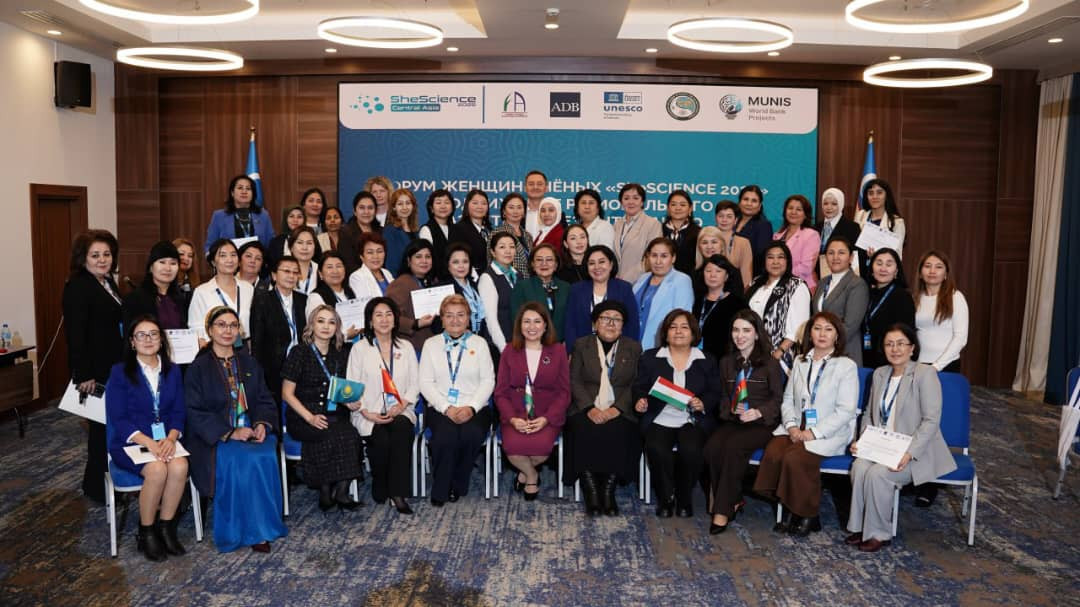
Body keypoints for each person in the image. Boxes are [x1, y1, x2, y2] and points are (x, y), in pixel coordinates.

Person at [184, 306, 287, 553]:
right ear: (209, 330)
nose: (227, 330)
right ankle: (243, 531)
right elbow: (194, 411)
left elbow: (264, 398)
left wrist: (262, 423)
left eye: (232, 325)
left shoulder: (249, 362)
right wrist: (229, 433)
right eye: (221, 325)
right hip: (215, 438)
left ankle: (263, 526)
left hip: (251, 430)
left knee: (264, 453)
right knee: (242, 459)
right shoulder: (197, 368)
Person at [846, 324, 956, 552]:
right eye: (889, 344)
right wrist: (862, 441)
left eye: (900, 344)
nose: (895, 349)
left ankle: (879, 533)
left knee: (878, 474)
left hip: (914, 451)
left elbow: (931, 421)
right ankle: (860, 528)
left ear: (912, 348)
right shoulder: (879, 374)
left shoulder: (925, 374)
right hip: (881, 445)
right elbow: (868, 414)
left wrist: (909, 453)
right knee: (859, 467)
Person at [753, 311, 859, 537]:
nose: (822, 334)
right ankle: (791, 507)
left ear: (837, 336)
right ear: (810, 334)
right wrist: (791, 425)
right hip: (795, 426)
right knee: (774, 452)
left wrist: (814, 433)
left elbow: (846, 410)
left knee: (795, 458)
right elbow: (788, 399)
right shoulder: (800, 361)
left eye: (828, 329)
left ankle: (806, 513)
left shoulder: (846, 366)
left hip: (828, 431)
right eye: (817, 328)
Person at [105, 316, 188, 561]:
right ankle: (147, 531)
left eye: (153, 334)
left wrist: (171, 439)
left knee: (180, 466)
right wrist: (150, 443)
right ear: (132, 342)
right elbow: (119, 418)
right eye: (141, 335)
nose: (148, 339)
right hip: (131, 443)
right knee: (157, 470)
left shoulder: (173, 371)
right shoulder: (120, 372)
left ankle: (166, 528)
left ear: (161, 339)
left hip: (165, 440)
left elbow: (179, 411)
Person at [634, 309, 720, 517]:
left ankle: (684, 497)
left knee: (691, 450)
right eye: (673, 327)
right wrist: (640, 401)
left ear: (693, 333)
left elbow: (715, 391)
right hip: (660, 416)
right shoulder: (650, 357)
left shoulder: (706, 359)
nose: (678, 331)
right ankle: (666, 498)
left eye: (684, 327)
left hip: (692, 419)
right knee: (656, 448)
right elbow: (639, 387)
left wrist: (703, 403)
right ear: (665, 333)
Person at [703, 309, 783, 533]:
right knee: (711, 448)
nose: (740, 336)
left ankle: (722, 511)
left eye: (746, 330)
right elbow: (723, 396)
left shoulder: (770, 363)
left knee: (733, 447)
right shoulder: (727, 362)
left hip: (762, 424)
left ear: (756, 334)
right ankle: (735, 499)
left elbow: (778, 399)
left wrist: (758, 412)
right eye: (736, 330)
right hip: (735, 420)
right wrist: (730, 408)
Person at [63, 230, 125, 503]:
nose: (102, 260)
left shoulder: (107, 282)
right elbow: (75, 333)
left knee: (109, 426)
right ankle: (98, 488)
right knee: (100, 430)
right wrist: (83, 373)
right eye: (95, 255)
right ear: (83, 258)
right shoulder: (78, 286)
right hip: (95, 371)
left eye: (107, 254)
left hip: (113, 365)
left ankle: (101, 482)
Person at [282, 305, 363, 511]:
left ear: (337, 328)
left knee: (350, 435)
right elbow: (287, 394)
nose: (326, 326)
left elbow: (341, 389)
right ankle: (325, 491)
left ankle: (342, 492)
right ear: (311, 325)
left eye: (331, 322)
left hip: (334, 411)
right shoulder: (299, 352)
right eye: (321, 321)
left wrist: (349, 402)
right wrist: (310, 417)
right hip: (303, 415)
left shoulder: (341, 353)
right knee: (324, 433)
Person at [418, 295, 495, 506]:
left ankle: (458, 483)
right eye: (449, 315)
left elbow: (488, 380)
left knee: (471, 434)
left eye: (460, 315)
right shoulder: (431, 344)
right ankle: (442, 488)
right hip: (440, 407)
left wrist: (472, 407)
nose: (455, 320)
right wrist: (446, 408)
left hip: (475, 407)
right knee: (445, 437)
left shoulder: (480, 344)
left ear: (468, 318)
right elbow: (425, 382)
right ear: (441, 319)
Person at [567, 301, 643, 515]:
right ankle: (591, 490)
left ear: (623, 325)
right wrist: (589, 408)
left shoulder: (633, 347)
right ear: (595, 324)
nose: (611, 323)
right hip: (585, 404)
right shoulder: (582, 345)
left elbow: (636, 383)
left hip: (620, 406)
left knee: (620, 429)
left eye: (617, 319)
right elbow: (574, 380)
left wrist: (616, 409)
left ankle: (608, 491)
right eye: (605, 318)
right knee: (582, 428)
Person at [346, 298, 419, 513]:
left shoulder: (406, 347)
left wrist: (402, 405)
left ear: (395, 319)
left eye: (388, 314)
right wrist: (366, 412)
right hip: (368, 412)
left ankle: (398, 493)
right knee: (381, 437)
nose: (384, 319)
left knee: (401, 429)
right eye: (378, 315)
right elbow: (352, 386)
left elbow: (415, 384)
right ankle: (381, 483)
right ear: (370, 321)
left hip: (401, 409)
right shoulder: (359, 349)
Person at [494, 303, 571, 501]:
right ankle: (532, 475)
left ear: (545, 326)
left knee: (542, 448)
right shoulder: (509, 350)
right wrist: (512, 419)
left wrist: (546, 419)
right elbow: (500, 392)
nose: (532, 326)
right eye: (526, 321)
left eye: (537, 321)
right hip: (516, 413)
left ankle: (524, 474)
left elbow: (564, 392)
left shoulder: (558, 351)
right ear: (519, 326)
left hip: (546, 414)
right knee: (513, 448)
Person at [744, 242, 811, 371]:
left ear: (787, 261)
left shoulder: (796, 286)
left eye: (780, 257)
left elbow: (798, 329)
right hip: (751, 353)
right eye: (770, 257)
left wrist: (777, 354)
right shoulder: (755, 283)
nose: (775, 262)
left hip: (779, 358)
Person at [249, 256, 307, 403]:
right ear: (274, 275)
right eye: (286, 271)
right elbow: (257, 340)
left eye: (295, 272)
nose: (291, 276)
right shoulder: (262, 300)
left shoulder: (304, 300)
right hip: (273, 366)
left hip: (301, 364)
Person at [563, 245, 640, 351]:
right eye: (591, 263)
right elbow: (570, 325)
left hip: (617, 349)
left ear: (611, 265)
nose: (597, 267)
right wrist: (572, 351)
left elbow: (632, 323)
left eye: (602, 262)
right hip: (584, 350)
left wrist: (628, 351)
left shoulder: (624, 288)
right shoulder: (577, 289)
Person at [811, 237, 869, 365]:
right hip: (820, 352)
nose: (835, 257)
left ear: (851, 257)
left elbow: (850, 326)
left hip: (844, 352)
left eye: (841, 253)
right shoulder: (822, 283)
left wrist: (825, 343)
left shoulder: (857, 284)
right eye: (831, 253)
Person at [188, 239, 254, 347]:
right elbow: (196, 328)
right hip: (214, 348)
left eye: (233, 255)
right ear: (213, 262)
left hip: (246, 347)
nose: (229, 260)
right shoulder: (202, 292)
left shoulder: (248, 289)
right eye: (223, 255)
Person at [633, 238, 694, 350]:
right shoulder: (643, 278)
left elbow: (682, 318)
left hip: (660, 345)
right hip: (633, 341)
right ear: (648, 257)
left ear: (673, 258)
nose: (658, 261)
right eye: (654, 255)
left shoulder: (682, 280)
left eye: (664, 256)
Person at [915, 250, 969, 373]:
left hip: (946, 365)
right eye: (927, 266)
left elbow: (961, 338)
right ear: (920, 273)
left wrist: (937, 366)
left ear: (946, 274)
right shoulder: (915, 298)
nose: (932, 271)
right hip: (919, 364)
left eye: (938, 267)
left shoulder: (955, 297)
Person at [861, 248, 916, 369]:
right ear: (872, 268)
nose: (883, 268)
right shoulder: (868, 293)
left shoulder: (902, 296)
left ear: (896, 271)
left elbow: (906, 332)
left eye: (889, 264)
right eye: (879, 263)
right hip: (867, 357)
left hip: (891, 360)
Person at [386, 239, 439, 351]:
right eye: (418, 257)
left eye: (428, 257)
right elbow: (390, 317)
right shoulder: (400, 284)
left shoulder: (435, 282)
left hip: (435, 344)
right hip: (413, 346)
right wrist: (416, 324)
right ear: (409, 260)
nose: (424, 261)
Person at [511, 244, 571, 342]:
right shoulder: (522, 287)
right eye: (539, 260)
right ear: (533, 264)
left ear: (556, 265)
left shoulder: (566, 287)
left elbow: (571, 320)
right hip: (531, 343)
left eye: (549, 259)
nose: (544, 263)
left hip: (560, 345)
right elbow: (516, 320)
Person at [122, 241, 187, 331]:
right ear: (151, 267)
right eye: (162, 262)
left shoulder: (181, 299)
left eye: (173, 263)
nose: (168, 268)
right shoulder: (135, 299)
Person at [694, 255, 747, 361]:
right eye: (708, 271)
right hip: (697, 358)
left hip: (726, 361)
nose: (712, 275)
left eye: (718, 271)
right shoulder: (697, 301)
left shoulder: (737, 304)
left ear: (726, 276)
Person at [203, 175, 275, 253]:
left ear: (253, 194)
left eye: (248, 188)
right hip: (229, 259)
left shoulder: (263, 215)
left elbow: (271, 244)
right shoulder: (219, 216)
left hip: (257, 259)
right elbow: (210, 245)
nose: (244, 192)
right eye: (240, 188)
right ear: (232, 193)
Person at [477, 232, 519, 353]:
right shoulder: (487, 278)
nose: (508, 251)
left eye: (512, 246)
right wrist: (503, 348)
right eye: (502, 247)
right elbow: (491, 320)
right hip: (498, 345)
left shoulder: (518, 275)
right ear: (493, 252)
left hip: (517, 341)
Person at [613, 183, 662, 284]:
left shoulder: (653, 224)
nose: (631, 202)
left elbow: (651, 257)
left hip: (640, 281)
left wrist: (627, 278)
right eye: (626, 198)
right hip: (616, 281)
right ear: (621, 202)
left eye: (635, 198)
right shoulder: (617, 224)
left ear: (642, 202)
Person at [306, 251, 362, 341]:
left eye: (339, 266)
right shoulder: (316, 297)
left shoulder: (350, 292)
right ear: (320, 274)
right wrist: (346, 335)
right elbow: (317, 331)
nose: (335, 271)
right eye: (329, 267)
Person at [854, 179, 906, 269]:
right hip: (860, 268)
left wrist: (877, 255)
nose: (875, 197)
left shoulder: (897, 222)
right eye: (871, 193)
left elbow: (897, 254)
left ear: (886, 195)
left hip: (883, 270)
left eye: (879, 193)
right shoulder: (860, 216)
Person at [441, 243, 490, 341]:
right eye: (455, 262)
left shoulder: (475, 285)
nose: (461, 266)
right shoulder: (444, 289)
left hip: (478, 339)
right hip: (455, 341)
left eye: (465, 261)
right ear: (448, 265)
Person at [773, 195, 822, 291]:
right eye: (790, 208)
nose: (793, 212)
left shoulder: (811, 235)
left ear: (805, 215)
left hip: (801, 286)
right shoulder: (777, 235)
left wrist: (779, 272)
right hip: (778, 284)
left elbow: (806, 268)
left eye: (798, 209)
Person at [815, 187, 861, 279]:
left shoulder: (852, 227)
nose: (829, 207)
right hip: (818, 277)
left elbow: (856, 257)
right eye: (825, 203)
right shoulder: (815, 228)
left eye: (834, 204)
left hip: (842, 276)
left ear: (841, 204)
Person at [692, 227, 746, 301]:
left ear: (722, 245)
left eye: (714, 242)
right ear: (699, 247)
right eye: (705, 243)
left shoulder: (733, 272)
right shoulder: (694, 273)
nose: (709, 246)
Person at [449, 188, 493, 273]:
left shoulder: (489, 230)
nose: (480, 207)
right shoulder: (458, 229)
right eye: (475, 203)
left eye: (484, 203)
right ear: (467, 206)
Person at [711, 201, 754, 288]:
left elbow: (746, 274)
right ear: (715, 218)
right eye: (721, 216)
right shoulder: (706, 239)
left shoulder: (743, 243)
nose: (724, 220)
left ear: (735, 220)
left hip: (734, 290)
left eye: (729, 216)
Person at [490, 192, 533, 278]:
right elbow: (491, 262)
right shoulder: (497, 233)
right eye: (511, 207)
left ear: (524, 212)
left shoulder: (528, 236)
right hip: (507, 280)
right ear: (504, 211)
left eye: (519, 207)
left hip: (528, 282)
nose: (515, 211)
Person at [734, 185, 774, 275]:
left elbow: (760, 256)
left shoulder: (764, 225)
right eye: (746, 199)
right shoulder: (732, 221)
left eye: (754, 201)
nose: (749, 204)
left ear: (760, 206)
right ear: (739, 202)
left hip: (750, 274)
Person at [338, 191, 381, 273]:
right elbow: (348, 264)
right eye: (362, 208)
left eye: (370, 208)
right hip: (357, 277)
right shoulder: (346, 233)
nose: (366, 212)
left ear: (376, 211)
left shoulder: (381, 231)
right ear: (354, 211)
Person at [662, 190, 701, 276]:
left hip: (690, 280)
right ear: (668, 208)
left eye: (682, 205)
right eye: (673, 204)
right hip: (662, 279)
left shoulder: (699, 233)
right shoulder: (658, 230)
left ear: (690, 208)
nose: (678, 208)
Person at [348, 232, 395, 301]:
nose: (375, 256)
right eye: (370, 252)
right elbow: (365, 304)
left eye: (379, 251)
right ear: (361, 256)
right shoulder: (356, 277)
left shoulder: (387, 273)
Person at [418, 189, 455, 265]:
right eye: (438, 203)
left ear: (452, 208)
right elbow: (426, 258)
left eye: (447, 202)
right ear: (431, 209)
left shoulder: (456, 229)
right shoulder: (426, 230)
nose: (443, 206)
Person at [267, 206, 306, 272]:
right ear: (285, 219)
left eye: (299, 217)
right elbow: (271, 266)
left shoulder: (310, 240)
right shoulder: (276, 242)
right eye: (291, 216)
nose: (295, 220)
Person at [288, 226, 320, 296]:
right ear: (291, 247)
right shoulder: (283, 270)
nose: (305, 247)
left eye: (309, 243)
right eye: (300, 242)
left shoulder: (321, 270)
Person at [173, 237, 200, 304]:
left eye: (190, 256)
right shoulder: (165, 282)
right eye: (181, 254)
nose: (186, 258)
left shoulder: (195, 284)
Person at [524, 169, 549, 237]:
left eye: (539, 184)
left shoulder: (557, 213)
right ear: (525, 188)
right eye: (531, 184)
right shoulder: (517, 212)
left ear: (546, 188)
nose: (535, 187)